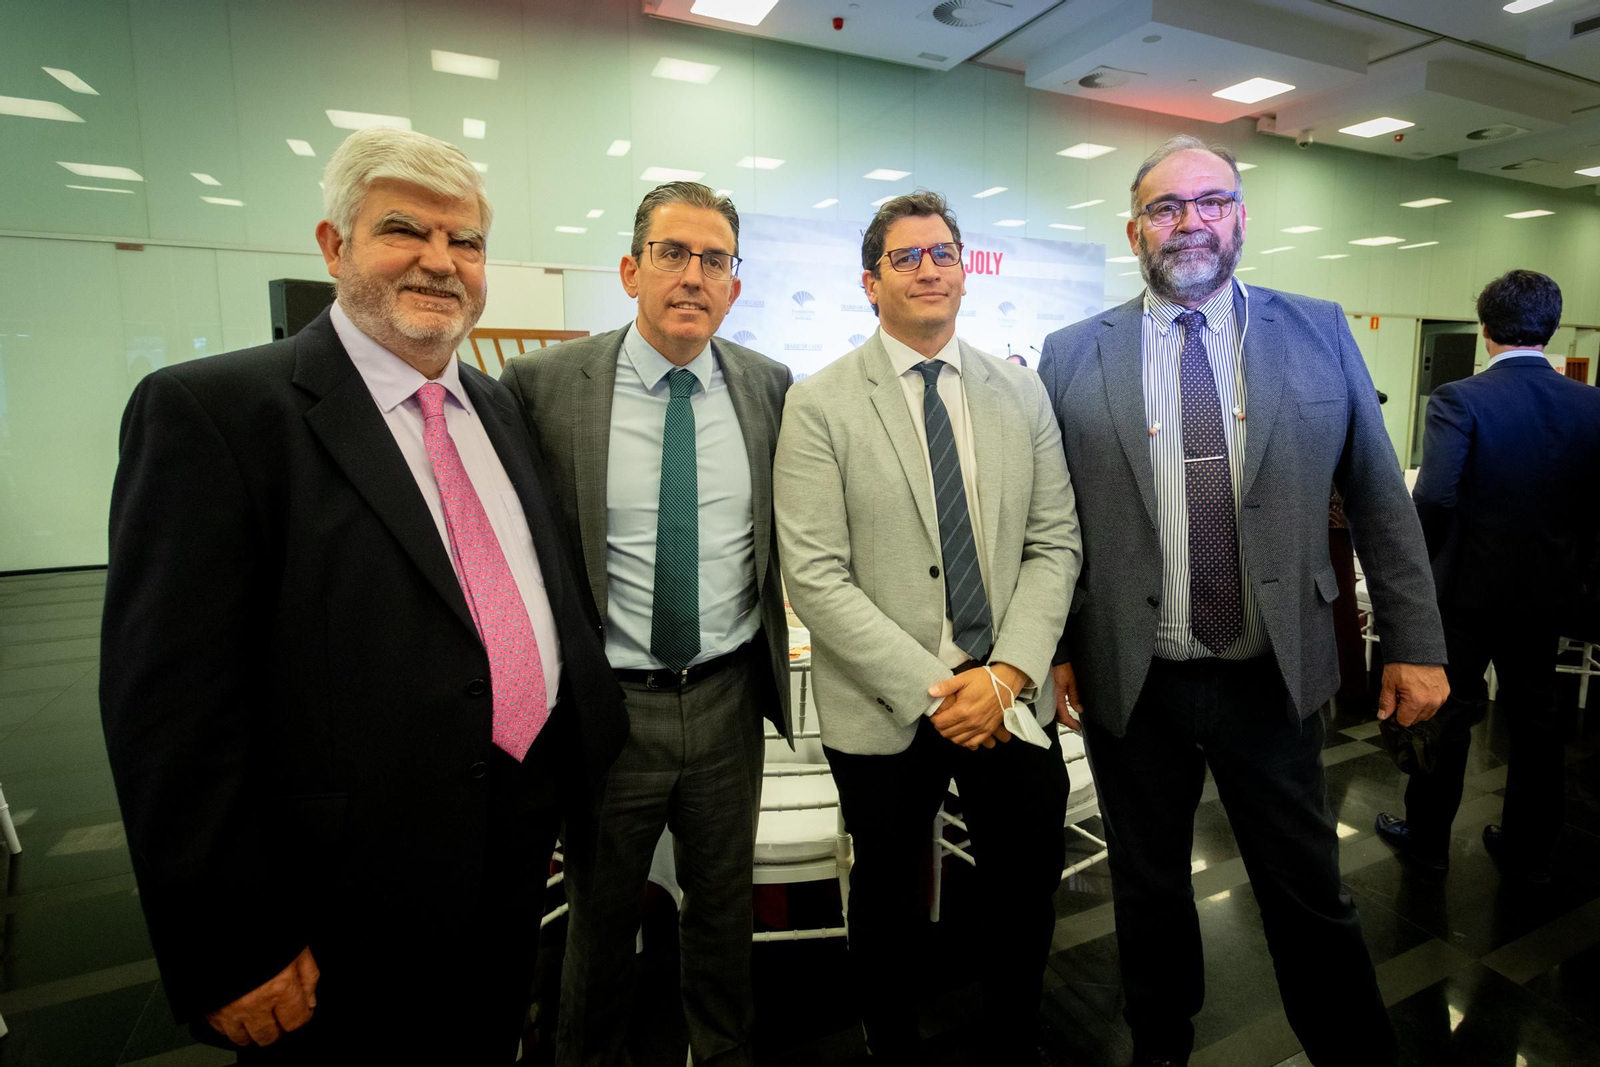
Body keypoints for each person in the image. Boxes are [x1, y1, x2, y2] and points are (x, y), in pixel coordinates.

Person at [99, 126, 626, 1063]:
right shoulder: (216, 416)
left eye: (464, 241)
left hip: (509, 856)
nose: (440, 261)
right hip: (339, 906)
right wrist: (232, 943)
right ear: (334, 246)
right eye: (403, 231)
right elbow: (170, 716)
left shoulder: (496, 406)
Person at [1037, 134, 1448, 1067]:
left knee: (1307, 885)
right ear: (1134, 227)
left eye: (1210, 202)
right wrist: (1060, 643)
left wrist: (1415, 640)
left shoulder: (1318, 329)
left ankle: (1352, 1048)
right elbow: (1050, 517)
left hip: (1273, 671)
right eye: (1167, 208)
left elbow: (1382, 494)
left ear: (1240, 217)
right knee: (1146, 890)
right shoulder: (1071, 353)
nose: (1191, 223)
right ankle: (1160, 1046)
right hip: (1132, 678)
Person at [774, 191, 1081, 1065]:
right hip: (887, 702)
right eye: (906, 258)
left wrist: (1006, 676)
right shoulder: (821, 402)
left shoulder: (1020, 391)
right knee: (887, 896)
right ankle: (891, 1041)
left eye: (943, 252)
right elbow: (816, 576)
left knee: (1024, 889)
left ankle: (1014, 1034)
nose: (929, 269)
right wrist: (939, 688)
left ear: (964, 270)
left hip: (1007, 692)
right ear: (871, 283)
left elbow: (1054, 541)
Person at [500, 182, 791, 1067]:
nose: (693, 275)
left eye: (715, 260)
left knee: (722, 907)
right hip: (607, 709)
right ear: (631, 269)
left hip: (726, 698)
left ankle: (724, 1051)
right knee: (601, 914)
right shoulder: (544, 387)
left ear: (734, 286)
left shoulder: (770, 387)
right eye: (673, 253)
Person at [1377, 269, 1600, 882]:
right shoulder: (1593, 404)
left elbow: (1436, 497)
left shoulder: (1461, 398)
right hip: (1549, 595)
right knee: (1537, 720)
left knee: (1446, 714)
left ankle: (1427, 840)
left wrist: (1416, 572)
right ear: (1550, 328)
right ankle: (1529, 843)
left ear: (1485, 329)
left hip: (1465, 595)